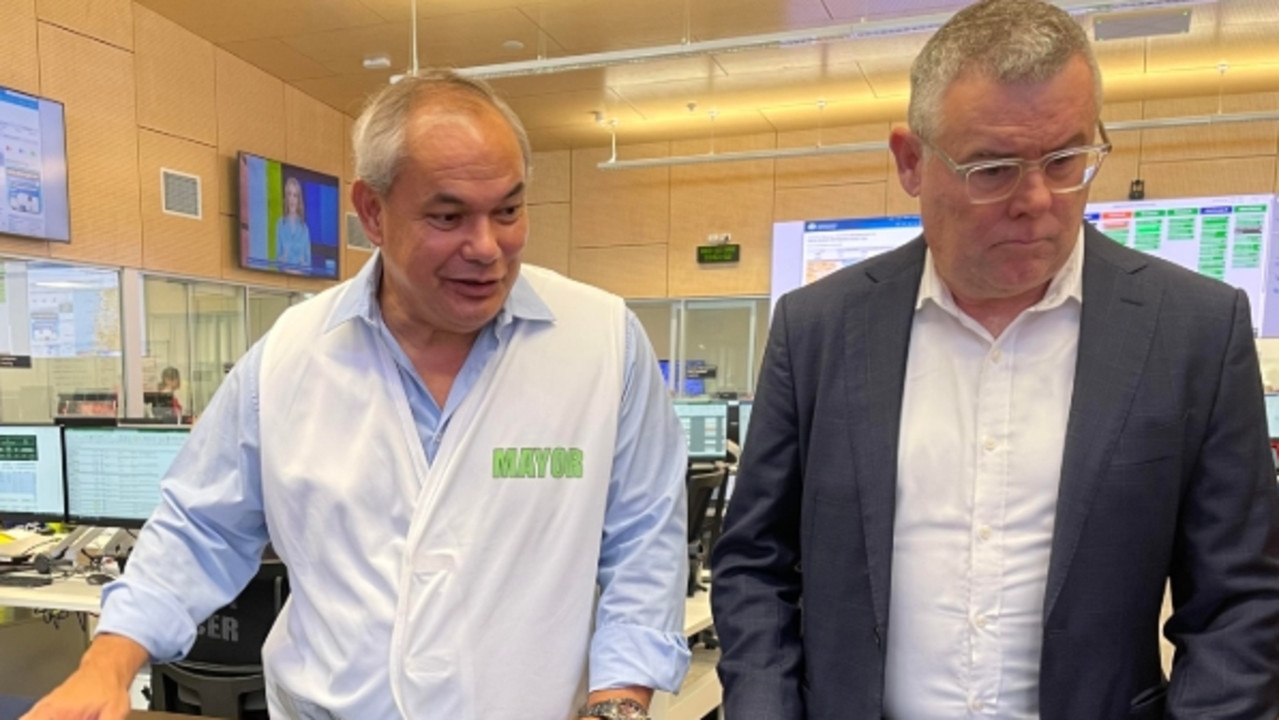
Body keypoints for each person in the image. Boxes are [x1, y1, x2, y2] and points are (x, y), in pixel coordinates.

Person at [24, 69, 690, 720]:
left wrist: (619, 705)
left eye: (508, 211)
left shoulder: (601, 343)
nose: (487, 247)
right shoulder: (290, 357)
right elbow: (201, 528)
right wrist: (106, 664)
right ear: (371, 211)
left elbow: (644, 540)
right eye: (448, 215)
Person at [710, 1, 1279, 718]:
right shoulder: (818, 328)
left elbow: (1239, 603)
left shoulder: (1192, 331)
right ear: (910, 161)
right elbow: (754, 566)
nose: (1036, 200)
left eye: (1067, 160)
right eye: (993, 168)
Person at [275, 175, 312, 272]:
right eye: (289, 194)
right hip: (283, 278)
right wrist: (282, 260)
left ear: (298, 200)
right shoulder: (280, 224)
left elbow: (308, 265)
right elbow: (277, 261)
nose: (292, 199)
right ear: (286, 197)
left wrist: (303, 265)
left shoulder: (304, 229)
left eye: (295, 195)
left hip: (300, 280)